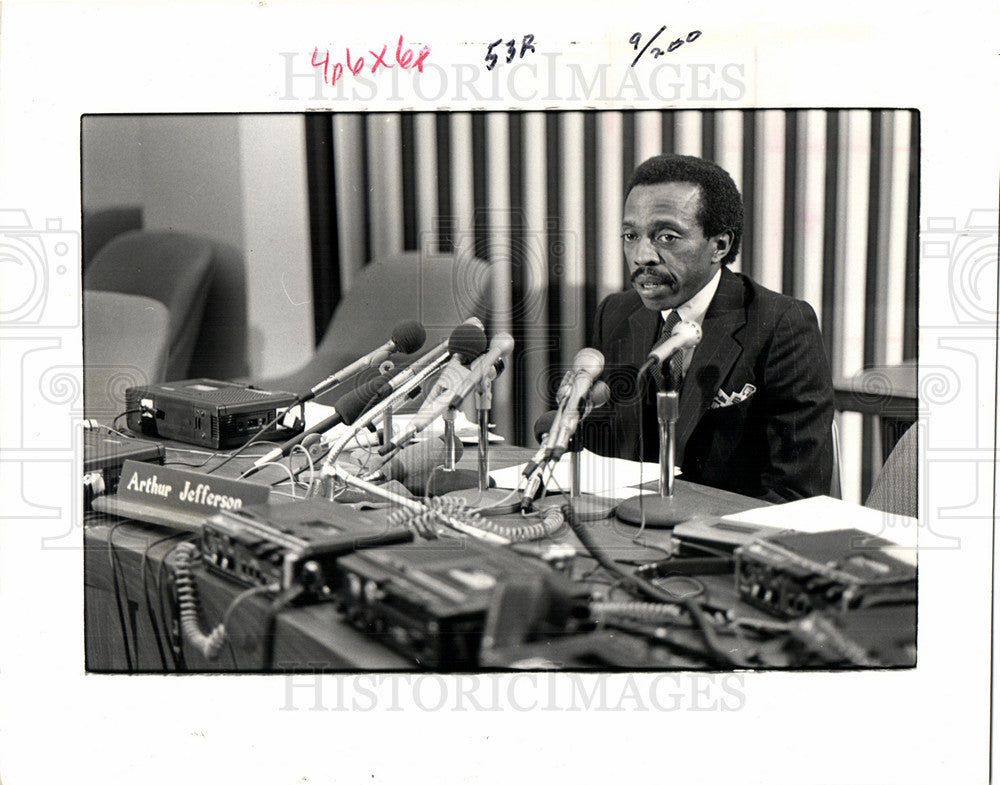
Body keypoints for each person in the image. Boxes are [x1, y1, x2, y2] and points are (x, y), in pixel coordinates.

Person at [582, 154, 834, 503]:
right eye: (630, 235)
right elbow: (598, 451)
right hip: (625, 525)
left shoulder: (781, 325)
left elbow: (794, 490)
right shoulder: (615, 313)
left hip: (723, 540)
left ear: (720, 245)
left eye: (666, 237)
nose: (642, 255)